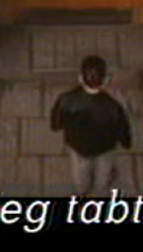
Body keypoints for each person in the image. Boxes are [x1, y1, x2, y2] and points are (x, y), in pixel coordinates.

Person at [50, 55, 132, 196]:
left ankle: (81, 191)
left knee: (80, 171)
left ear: (80, 78)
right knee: (104, 171)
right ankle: (100, 188)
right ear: (105, 80)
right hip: (105, 147)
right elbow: (123, 131)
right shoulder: (113, 105)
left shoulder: (66, 99)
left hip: (78, 145)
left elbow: (55, 125)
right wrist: (126, 142)